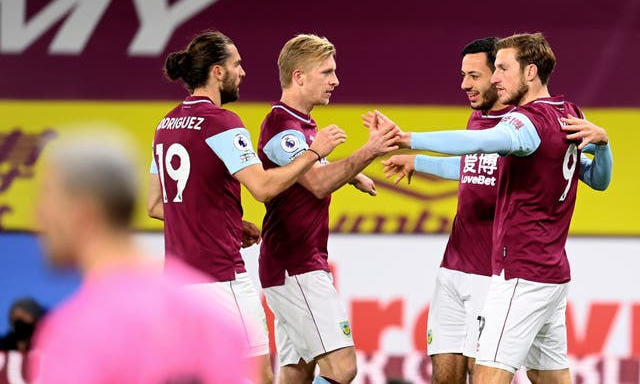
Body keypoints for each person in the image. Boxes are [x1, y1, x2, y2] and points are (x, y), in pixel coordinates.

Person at [378, 33, 612, 384]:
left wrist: (410, 138)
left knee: (487, 376)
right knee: (550, 377)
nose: (496, 77)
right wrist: (605, 144)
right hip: (551, 272)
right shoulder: (569, 113)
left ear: (530, 72)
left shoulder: (526, 122)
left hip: (522, 270)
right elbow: (598, 178)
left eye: (503, 68)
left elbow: (481, 141)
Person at [147, 30, 347, 384]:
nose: (243, 73)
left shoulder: (165, 126)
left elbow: (156, 204)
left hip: (176, 281)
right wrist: (315, 152)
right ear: (217, 72)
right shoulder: (221, 122)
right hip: (219, 277)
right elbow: (264, 188)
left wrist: (226, 223)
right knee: (259, 378)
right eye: (237, 64)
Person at [32, 127, 250, 384]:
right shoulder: (212, 318)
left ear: (84, 211)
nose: (39, 215)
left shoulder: (78, 331)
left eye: (48, 197)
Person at [257, 34, 399, 384]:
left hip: (292, 263)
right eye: (327, 72)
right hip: (295, 265)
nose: (336, 80)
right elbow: (317, 182)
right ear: (299, 76)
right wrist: (371, 150)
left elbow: (309, 171)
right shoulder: (282, 125)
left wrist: (353, 176)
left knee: (298, 371)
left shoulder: (300, 124)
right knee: (342, 367)